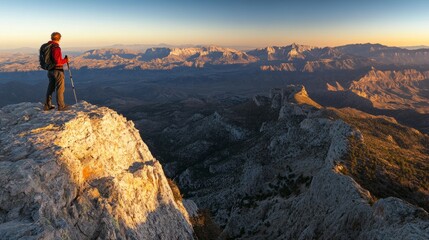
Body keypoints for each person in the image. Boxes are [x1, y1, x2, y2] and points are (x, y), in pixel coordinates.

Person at [44, 32, 69, 111]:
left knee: (50, 88)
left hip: (50, 71)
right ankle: (61, 106)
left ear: (51, 37)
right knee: (60, 88)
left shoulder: (47, 46)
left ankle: (47, 105)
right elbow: (57, 61)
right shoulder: (56, 47)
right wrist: (65, 60)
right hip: (57, 71)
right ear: (59, 38)